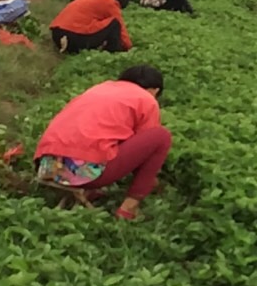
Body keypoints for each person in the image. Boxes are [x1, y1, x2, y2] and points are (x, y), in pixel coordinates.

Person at [34, 64, 171, 220]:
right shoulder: (146, 99)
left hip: (47, 167)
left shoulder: (100, 88)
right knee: (161, 136)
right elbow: (143, 151)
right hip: (86, 174)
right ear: (155, 90)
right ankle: (129, 208)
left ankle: (85, 187)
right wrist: (148, 181)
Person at [50, 0, 132, 54]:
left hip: (57, 34)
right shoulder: (110, 2)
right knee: (115, 23)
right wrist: (129, 48)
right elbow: (122, 31)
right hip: (73, 38)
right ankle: (113, 52)